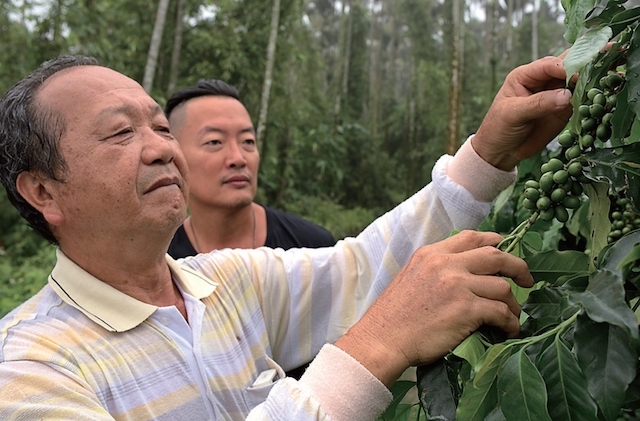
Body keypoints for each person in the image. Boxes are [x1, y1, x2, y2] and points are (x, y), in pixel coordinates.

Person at [0, 53, 572, 421]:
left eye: (160, 127)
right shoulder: (28, 368)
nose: (160, 148)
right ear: (43, 192)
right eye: (122, 133)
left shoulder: (225, 281)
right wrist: (376, 345)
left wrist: (488, 154)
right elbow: (378, 314)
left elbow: (362, 269)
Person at [163, 80, 336, 259]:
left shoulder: (312, 249)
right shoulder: (161, 262)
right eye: (214, 142)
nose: (238, 158)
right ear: (175, 159)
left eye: (248, 141)